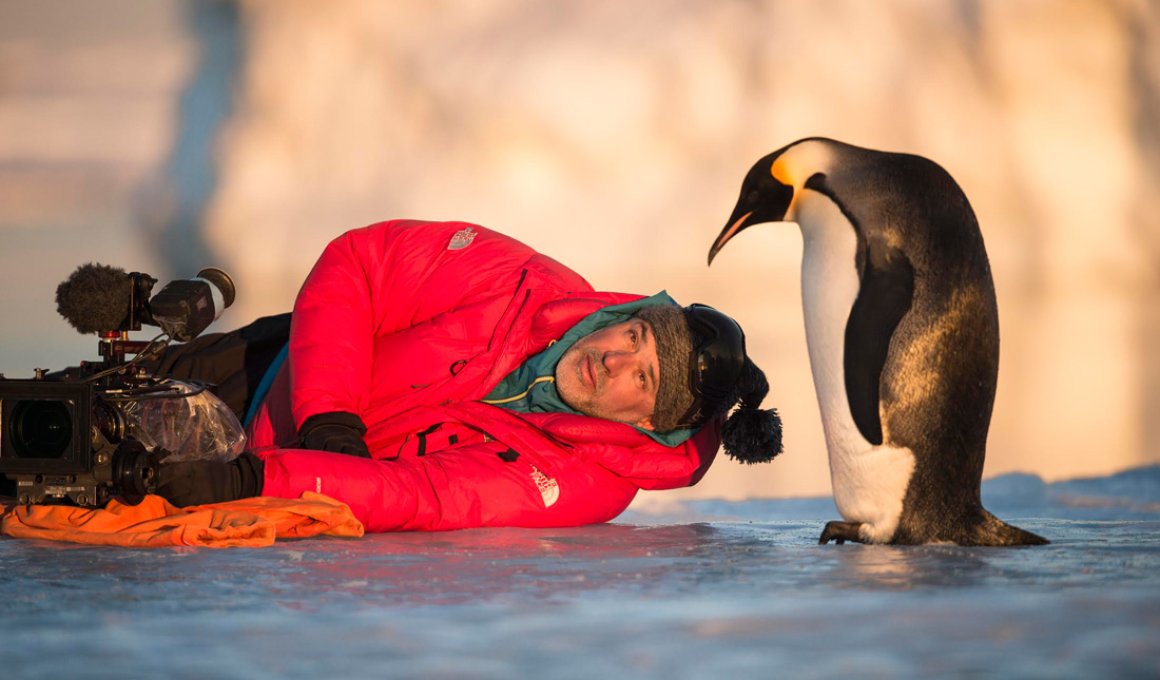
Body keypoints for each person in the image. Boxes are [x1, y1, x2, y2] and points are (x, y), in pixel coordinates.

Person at [154, 219, 782, 531]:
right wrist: (327, 416)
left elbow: (428, 496)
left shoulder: (585, 484)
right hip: (264, 371)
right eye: (635, 336)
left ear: (647, 422)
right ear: (631, 316)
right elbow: (361, 264)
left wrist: (258, 478)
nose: (612, 359)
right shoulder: (520, 281)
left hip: (268, 491)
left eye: (641, 379)